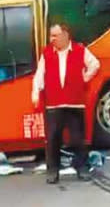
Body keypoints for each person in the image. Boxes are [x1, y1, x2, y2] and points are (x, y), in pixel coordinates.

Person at [32, 23, 100, 184]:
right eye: (51, 36)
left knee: (78, 139)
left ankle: (82, 168)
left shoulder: (80, 50)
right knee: (53, 139)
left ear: (65, 35)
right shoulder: (47, 53)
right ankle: (53, 171)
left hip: (75, 103)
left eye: (55, 35)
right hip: (54, 104)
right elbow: (39, 74)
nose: (52, 39)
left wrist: (84, 78)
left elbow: (95, 64)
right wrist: (35, 92)